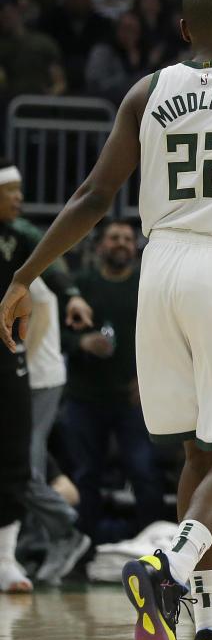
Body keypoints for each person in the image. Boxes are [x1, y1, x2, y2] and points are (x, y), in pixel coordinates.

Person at [0, 0, 212, 640]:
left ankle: (211, 628)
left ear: (179, 30)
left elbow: (92, 195)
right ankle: (167, 565)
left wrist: (25, 275)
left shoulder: (144, 92)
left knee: (200, 454)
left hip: (160, 268)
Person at [0, 161, 92, 593]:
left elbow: (50, 280)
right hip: (30, 369)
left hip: (29, 368)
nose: (20, 199)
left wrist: (72, 294)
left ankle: (52, 539)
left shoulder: (23, 243)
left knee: (22, 465)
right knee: (29, 468)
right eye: (12, 191)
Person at [59, 220, 165, 543]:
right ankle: (85, 549)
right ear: (100, 246)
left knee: (145, 473)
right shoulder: (80, 287)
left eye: (127, 239)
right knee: (84, 476)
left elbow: (164, 337)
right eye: (114, 238)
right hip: (83, 398)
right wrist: (81, 343)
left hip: (133, 399)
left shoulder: (147, 286)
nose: (121, 243)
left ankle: (154, 549)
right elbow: (53, 335)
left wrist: (150, 379)